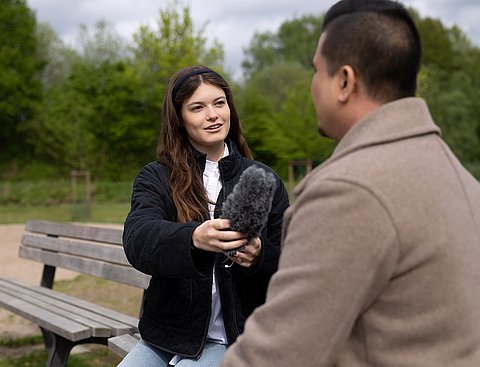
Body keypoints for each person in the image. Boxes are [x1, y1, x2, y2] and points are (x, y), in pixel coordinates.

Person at [220, 1, 480, 366]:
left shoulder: (348, 192)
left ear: (344, 81)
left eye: (316, 71)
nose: (312, 85)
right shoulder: (457, 175)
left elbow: (277, 354)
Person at [119, 65, 289, 367]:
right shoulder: (157, 177)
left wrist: (260, 256)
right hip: (167, 335)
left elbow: (290, 263)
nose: (213, 115)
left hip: (235, 337)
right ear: (179, 119)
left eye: (219, 103)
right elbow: (138, 239)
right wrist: (194, 239)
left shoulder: (263, 179)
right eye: (197, 107)